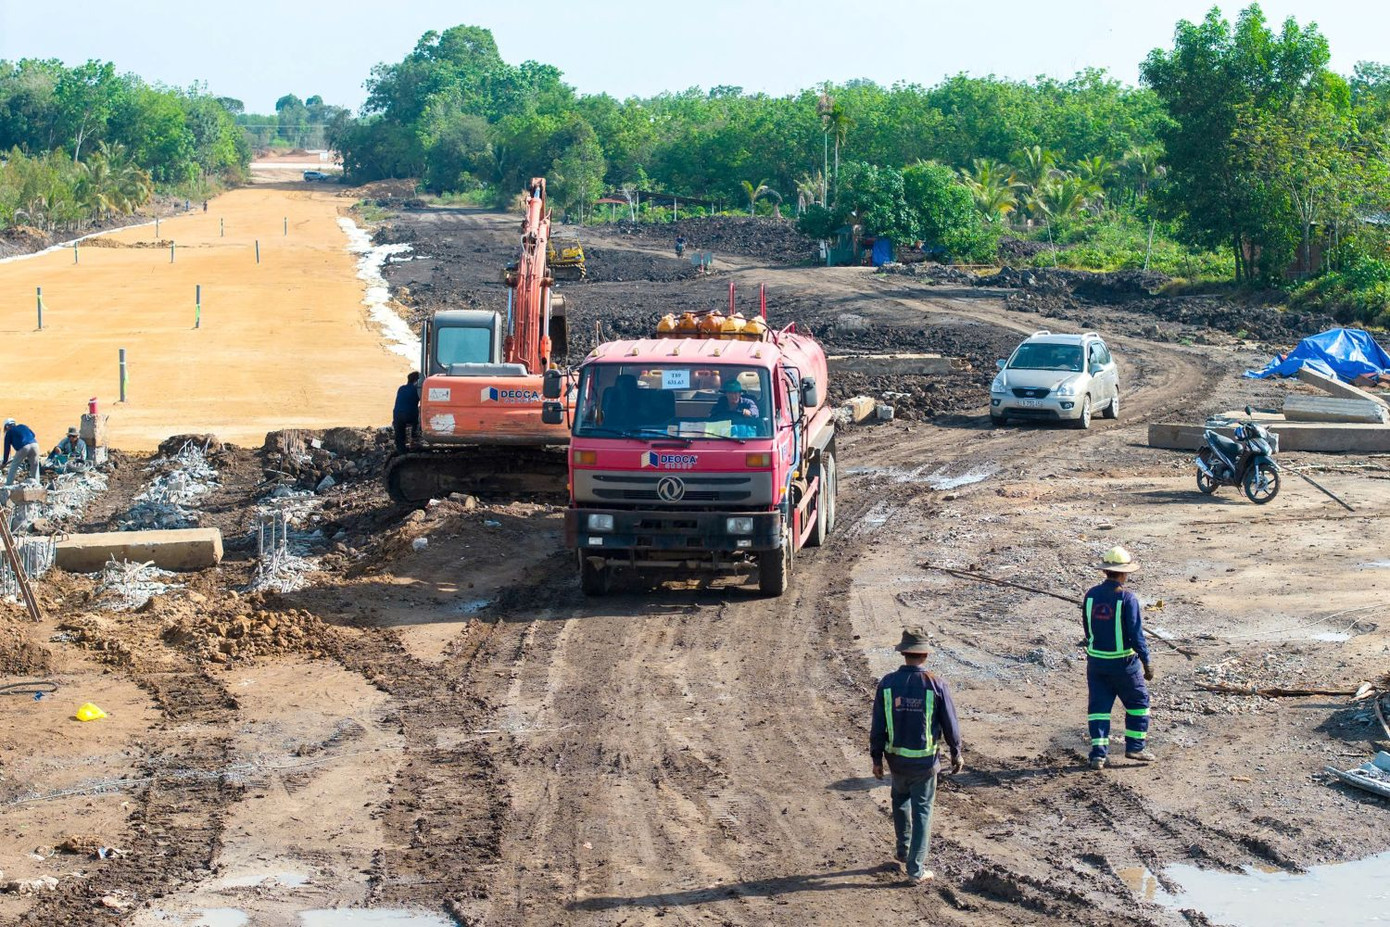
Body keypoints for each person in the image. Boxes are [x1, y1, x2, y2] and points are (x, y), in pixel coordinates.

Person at [871, 628, 964, 885]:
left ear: (903, 653)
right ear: (924, 654)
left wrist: (876, 759)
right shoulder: (936, 684)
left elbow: (877, 725)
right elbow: (950, 725)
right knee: (922, 811)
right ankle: (915, 869)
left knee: (899, 801)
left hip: (896, 760)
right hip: (924, 764)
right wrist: (956, 753)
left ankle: (903, 849)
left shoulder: (887, 684)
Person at [1082, 546, 1154, 771]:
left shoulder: (1091, 595)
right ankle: (1135, 747)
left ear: (1105, 571)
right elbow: (1135, 634)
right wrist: (1146, 661)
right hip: (1124, 665)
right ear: (1124, 573)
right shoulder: (1127, 598)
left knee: (1099, 708)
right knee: (1138, 704)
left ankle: (1098, 755)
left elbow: (1087, 630)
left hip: (1096, 664)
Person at [3, 419, 41, 485]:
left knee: (14, 466)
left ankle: (8, 485)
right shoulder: (23, 426)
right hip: (35, 445)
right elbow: (33, 435)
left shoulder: (9, 432)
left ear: (7, 426)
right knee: (35, 466)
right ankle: (37, 485)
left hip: (23, 447)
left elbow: (7, 449)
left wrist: (4, 462)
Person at [393, 372, 421, 453]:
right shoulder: (417, 389)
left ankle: (401, 452)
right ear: (417, 381)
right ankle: (414, 439)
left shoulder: (401, 388)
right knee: (418, 418)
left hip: (397, 414)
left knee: (399, 436)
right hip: (410, 414)